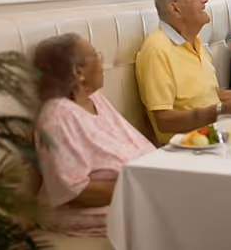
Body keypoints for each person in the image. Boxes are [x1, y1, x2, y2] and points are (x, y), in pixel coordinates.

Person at [33, 33, 156, 237]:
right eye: (96, 55)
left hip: (138, 190)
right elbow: (75, 190)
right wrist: (143, 188)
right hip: (93, 210)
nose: (101, 61)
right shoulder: (57, 117)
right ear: (78, 71)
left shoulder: (95, 99)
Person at [135, 0, 231, 144]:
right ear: (175, 9)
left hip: (217, 136)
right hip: (187, 148)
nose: (204, 0)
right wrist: (220, 110)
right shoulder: (157, 50)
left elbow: (210, 95)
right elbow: (164, 121)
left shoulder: (196, 42)